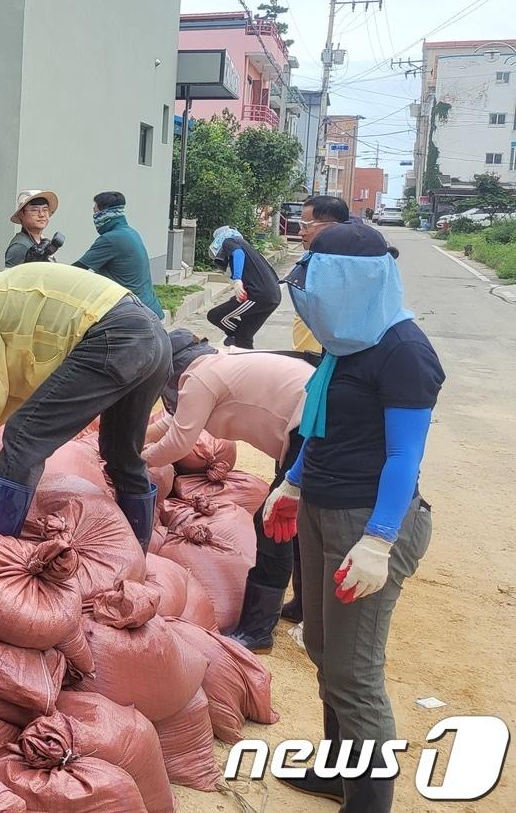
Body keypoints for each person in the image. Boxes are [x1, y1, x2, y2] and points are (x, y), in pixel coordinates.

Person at [260, 223, 442, 810]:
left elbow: (403, 455)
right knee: (321, 650)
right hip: (322, 510)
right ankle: (341, 774)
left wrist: (380, 540)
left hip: (367, 523)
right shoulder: (348, 342)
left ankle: (369, 802)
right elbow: (321, 427)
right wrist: (292, 482)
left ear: (355, 281)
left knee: (355, 675)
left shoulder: (403, 350)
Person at [0, 264, 171, 551]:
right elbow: (15, 392)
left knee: (23, 437)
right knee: (121, 454)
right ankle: (137, 550)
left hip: (113, 336)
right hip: (153, 337)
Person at [145, 331, 313, 650]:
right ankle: (302, 606)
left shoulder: (201, 378)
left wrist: (137, 459)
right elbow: (172, 423)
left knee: (272, 523)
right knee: (295, 521)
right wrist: (136, 439)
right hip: (304, 424)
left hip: (308, 428)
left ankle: (257, 629)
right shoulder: (212, 367)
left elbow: (180, 442)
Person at [71, 191, 165, 319]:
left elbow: (77, 270)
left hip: (136, 316)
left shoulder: (111, 239)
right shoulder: (130, 232)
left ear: (105, 214)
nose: (94, 217)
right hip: (149, 309)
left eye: (95, 212)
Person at [292, 195, 351, 357]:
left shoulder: (338, 266)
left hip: (318, 357)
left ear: (331, 227)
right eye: (300, 224)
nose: (300, 232)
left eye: (306, 225)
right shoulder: (313, 257)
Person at [205, 226, 281, 348]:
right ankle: (248, 362)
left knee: (215, 316)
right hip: (273, 296)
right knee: (244, 338)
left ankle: (234, 335)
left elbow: (238, 254)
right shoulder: (248, 248)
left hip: (258, 296)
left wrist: (237, 280)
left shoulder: (229, 240)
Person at [4, 189, 64, 267]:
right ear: (21, 214)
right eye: (35, 210)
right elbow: (9, 277)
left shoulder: (43, 242)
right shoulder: (20, 246)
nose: (41, 214)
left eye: (45, 210)